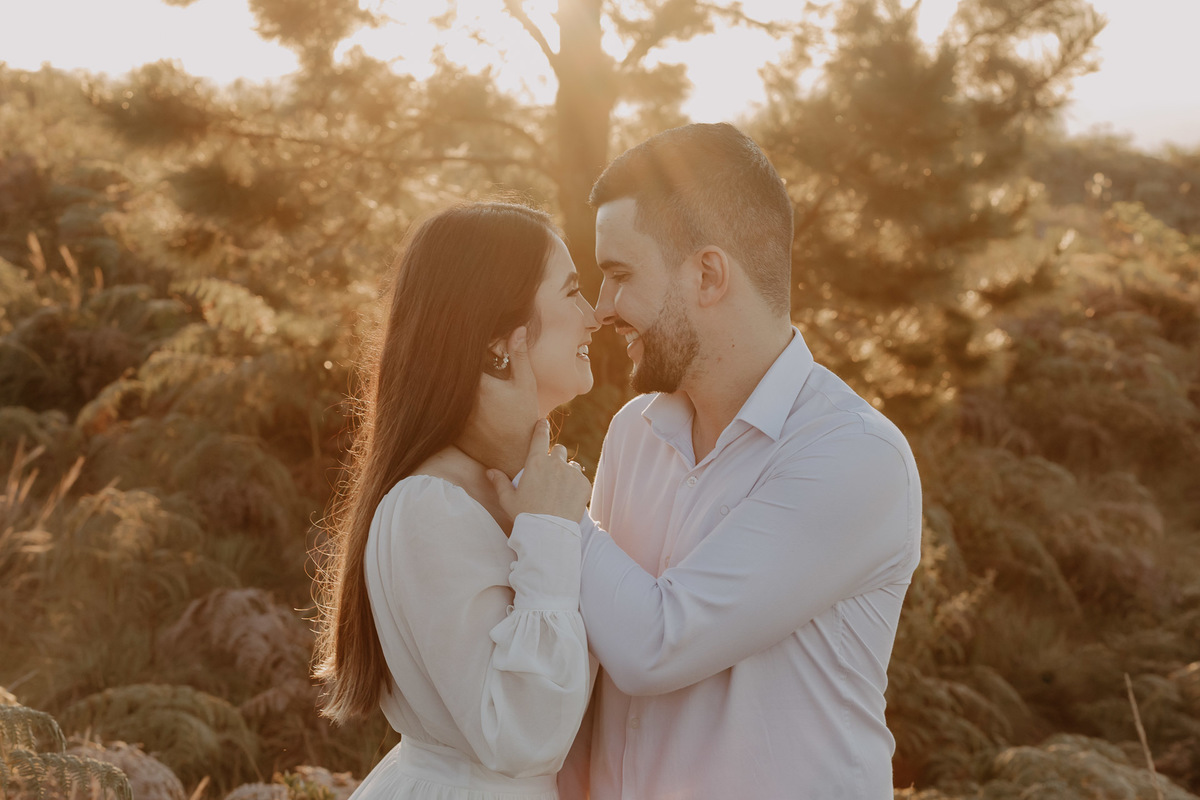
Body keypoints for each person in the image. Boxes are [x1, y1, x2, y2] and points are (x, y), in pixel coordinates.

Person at [540, 122, 921, 798]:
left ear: (708, 275)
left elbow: (659, 645)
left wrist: (548, 501)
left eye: (621, 275)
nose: (603, 310)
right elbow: (593, 659)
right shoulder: (634, 433)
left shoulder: (854, 456)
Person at [312, 202, 601, 800]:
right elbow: (522, 736)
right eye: (572, 292)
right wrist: (547, 529)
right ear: (501, 340)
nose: (593, 317)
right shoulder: (432, 505)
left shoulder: (506, 486)